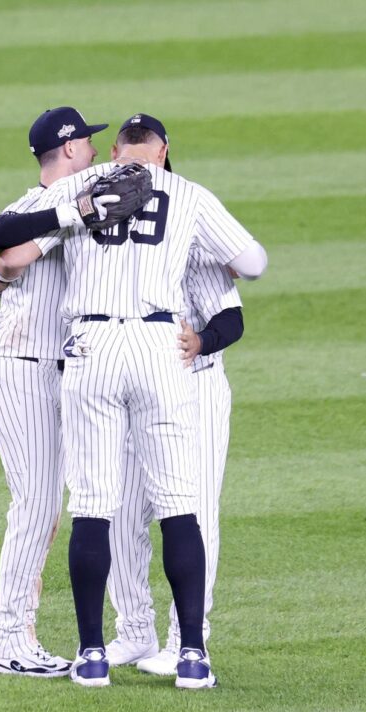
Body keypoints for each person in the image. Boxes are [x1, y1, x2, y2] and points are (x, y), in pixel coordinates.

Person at [0, 113, 267, 689]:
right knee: (180, 505)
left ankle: (91, 655)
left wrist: (74, 213)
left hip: (91, 347)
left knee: (95, 502)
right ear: (164, 151)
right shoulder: (188, 196)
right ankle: (191, 653)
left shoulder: (80, 186)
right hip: (159, 347)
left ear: (116, 150)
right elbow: (255, 264)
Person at [0, 106, 109, 678]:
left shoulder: (54, 207)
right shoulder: (37, 209)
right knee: (38, 506)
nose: (94, 151)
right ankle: (9, 639)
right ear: (68, 150)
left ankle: (18, 633)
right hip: (22, 369)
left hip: (53, 371)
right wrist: (60, 224)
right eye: (88, 144)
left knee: (47, 505)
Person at [102, 118, 246, 676]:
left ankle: (191, 639)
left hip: (197, 387)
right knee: (117, 506)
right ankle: (133, 631)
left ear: (164, 156)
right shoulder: (104, 226)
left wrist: (200, 340)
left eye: (147, 156)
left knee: (193, 510)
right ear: (113, 157)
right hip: (133, 386)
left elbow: (231, 316)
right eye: (127, 156)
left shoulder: (189, 221)